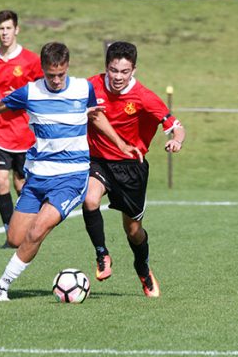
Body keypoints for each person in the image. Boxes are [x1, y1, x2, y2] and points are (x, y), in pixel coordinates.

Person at [0, 42, 140, 301]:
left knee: (36, 232)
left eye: (60, 74)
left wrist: (121, 143)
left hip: (72, 177)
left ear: (67, 67)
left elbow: (96, 116)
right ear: (42, 69)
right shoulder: (30, 92)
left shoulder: (82, 88)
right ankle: (29, 244)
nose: (56, 80)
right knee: (15, 237)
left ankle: (2, 285)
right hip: (38, 176)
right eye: (50, 75)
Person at [82, 41, 186, 298]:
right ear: (106, 67)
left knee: (133, 231)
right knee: (89, 200)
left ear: (134, 70)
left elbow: (176, 126)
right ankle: (102, 254)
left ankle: (143, 268)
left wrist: (176, 140)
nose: (117, 77)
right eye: (113, 70)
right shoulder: (90, 86)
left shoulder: (144, 97)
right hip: (98, 160)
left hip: (131, 168)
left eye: (124, 71)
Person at [0, 10, 43, 246]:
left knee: (21, 184)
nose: (4, 33)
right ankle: (9, 233)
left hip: (24, 132)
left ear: (17, 29)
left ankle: (25, 229)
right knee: (1, 180)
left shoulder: (31, 60)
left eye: (8, 28)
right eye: (1, 29)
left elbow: (42, 89)